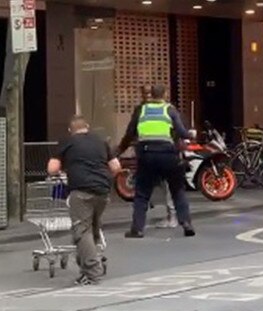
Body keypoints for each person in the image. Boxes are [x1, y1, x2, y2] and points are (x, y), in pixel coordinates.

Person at [47, 115, 121, 285]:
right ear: (87, 127)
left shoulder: (68, 142)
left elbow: (52, 168)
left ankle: (93, 272)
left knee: (82, 231)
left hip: (81, 191)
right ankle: (85, 270)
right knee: (93, 229)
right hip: (102, 191)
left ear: (70, 130)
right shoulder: (100, 141)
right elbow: (116, 167)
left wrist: (64, 170)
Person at [118, 83, 195, 238]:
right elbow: (181, 132)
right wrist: (190, 134)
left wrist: (119, 150)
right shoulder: (170, 110)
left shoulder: (141, 111)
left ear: (150, 95)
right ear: (165, 94)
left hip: (146, 155)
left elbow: (130, 133)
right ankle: (186, 223)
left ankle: (137, 229)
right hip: (168, 154)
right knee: (177, 190)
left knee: (141, 194)